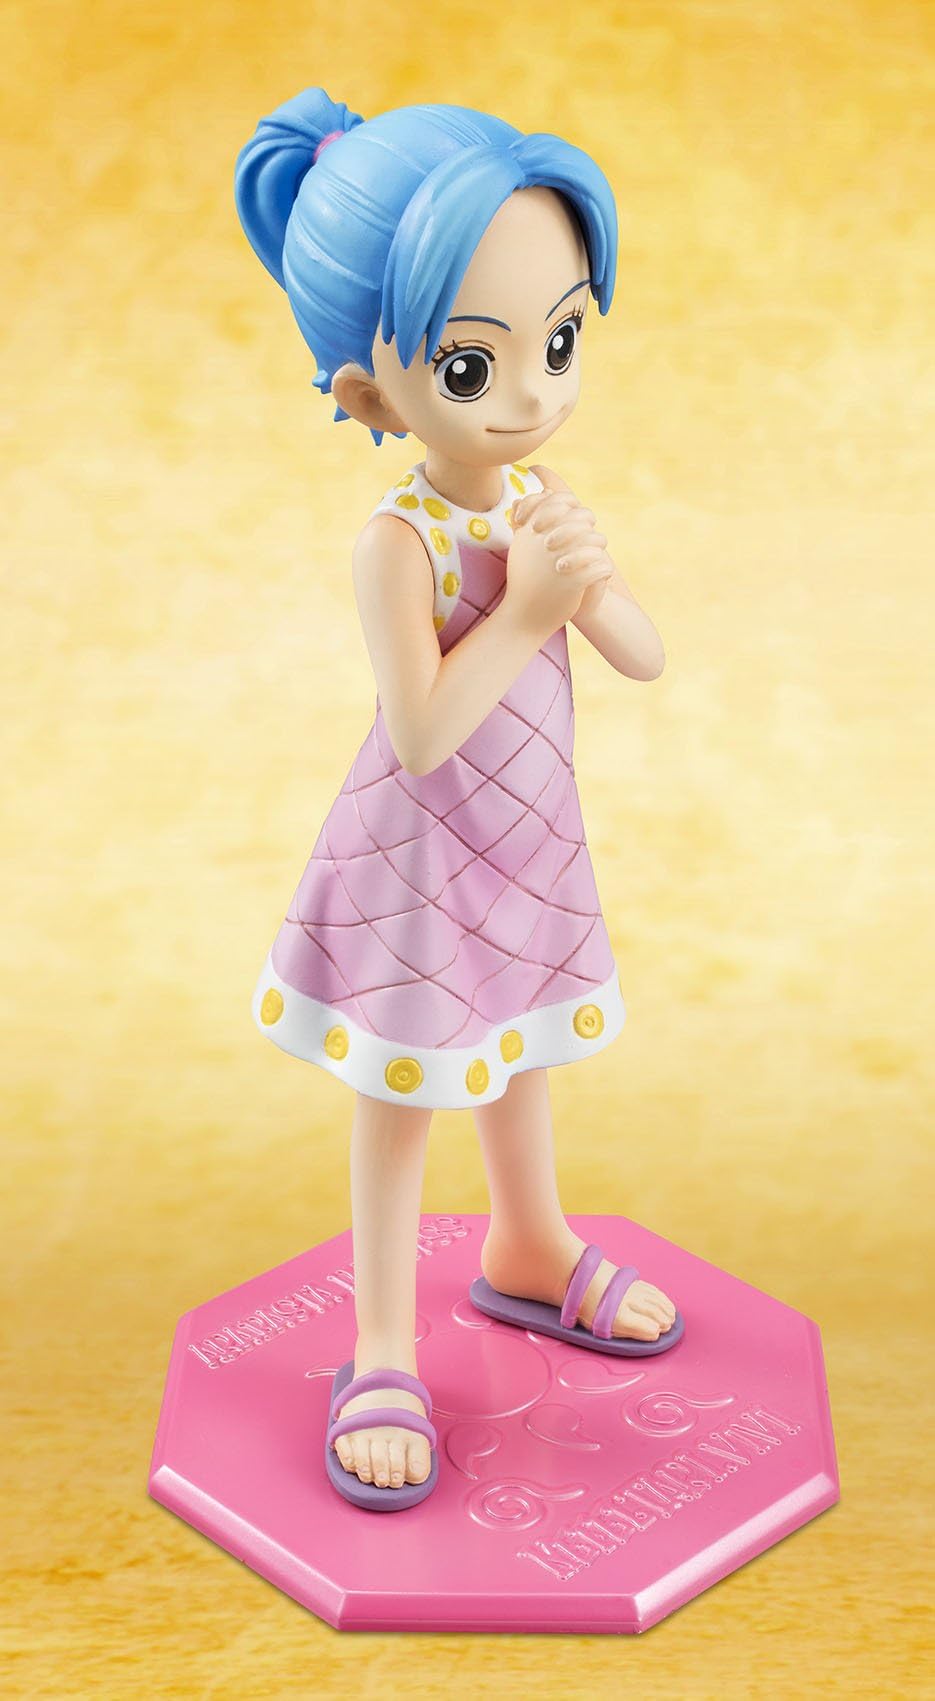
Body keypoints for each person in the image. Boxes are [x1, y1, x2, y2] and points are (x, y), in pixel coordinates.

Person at [235, 90, 681, 1510]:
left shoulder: (534, 492)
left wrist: (590, 585)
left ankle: (528, 1244)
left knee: (523, 1042)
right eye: (475, 364)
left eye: (561, 341)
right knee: (405, 1084)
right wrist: (531, 605)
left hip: (528, 841)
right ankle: (382, 1343)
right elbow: (420, 730)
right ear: (372, 395)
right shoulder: (400, 541)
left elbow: (642, 652)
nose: (533, 396)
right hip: (421, 862)